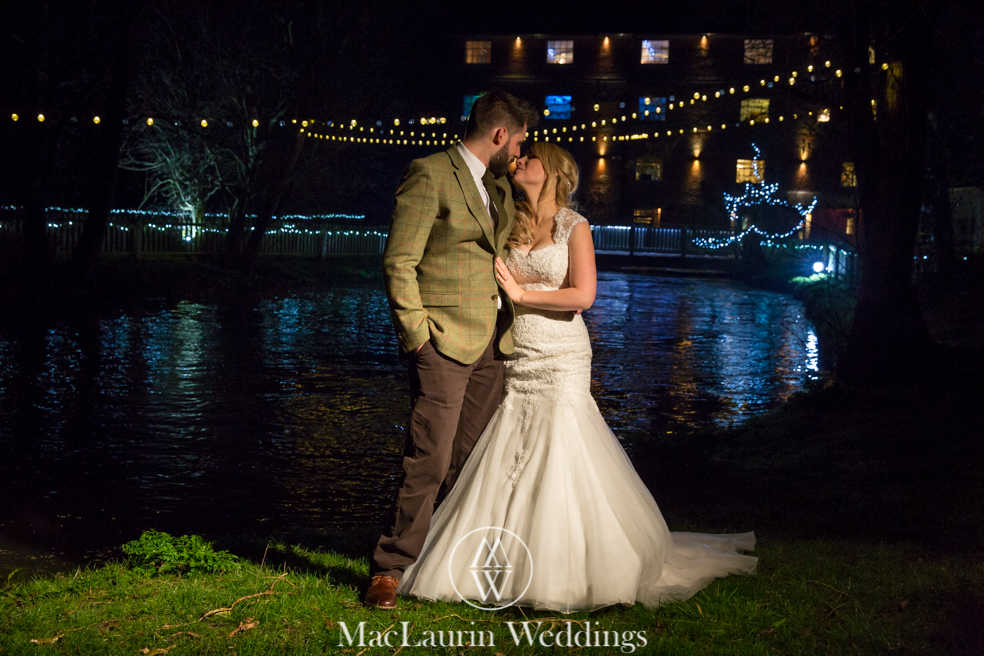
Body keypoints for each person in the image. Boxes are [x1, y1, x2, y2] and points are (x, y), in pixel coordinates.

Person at [396, 143, 757, 612]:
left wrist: (521, 294)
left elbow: (583, 295)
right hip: (515, 349)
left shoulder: (574, 226)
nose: (520, 160)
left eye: (531, 157)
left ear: (554, 173)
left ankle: (572, 563)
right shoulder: (508, 220)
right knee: (511, 445)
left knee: (561, 444)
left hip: (561, 351)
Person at [365, 91, 540, 609]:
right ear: (501, 134)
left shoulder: (497, 185)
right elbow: (399, 261)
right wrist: (418, 337)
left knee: (473, 461)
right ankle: (390, 568)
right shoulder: (430, 173)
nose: (520, 152)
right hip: (441, 341)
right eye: (520, 141)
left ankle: (453, 562)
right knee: (430, 458)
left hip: (493, 343)